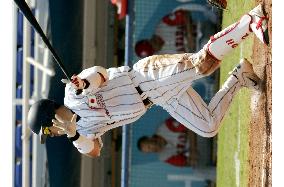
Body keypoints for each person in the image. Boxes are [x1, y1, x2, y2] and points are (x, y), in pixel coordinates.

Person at [28, 4, 269, 158]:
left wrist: (84, 83)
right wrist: (73, 135)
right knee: (207, 126)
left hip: (146, 78)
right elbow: (95, 151)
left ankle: (250, 21)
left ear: (51, 116)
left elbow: (101, 74)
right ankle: (239, 77)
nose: (52, 134)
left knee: (201, 65)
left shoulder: (72, 93)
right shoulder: (81, 132)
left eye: (48, 129)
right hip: (156, 98)